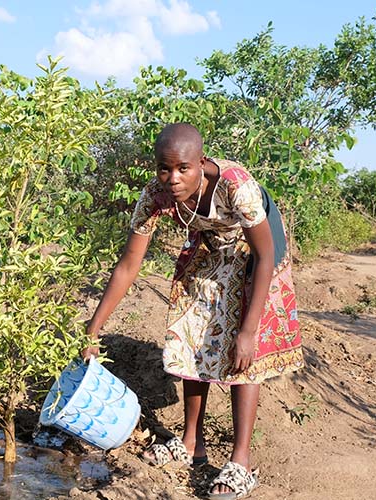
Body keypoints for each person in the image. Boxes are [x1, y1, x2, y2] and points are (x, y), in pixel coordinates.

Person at [82, 123, 303, 499]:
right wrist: (92, 329)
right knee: (191, 333)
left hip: (259, 251)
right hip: (211, 245)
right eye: (164, 169)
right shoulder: (155, 194)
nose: (172, 178)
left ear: (200, 163)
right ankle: (191, 445)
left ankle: (240, 463)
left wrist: (247, 332)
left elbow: (264, 255)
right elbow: (128, 264)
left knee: (243, 353)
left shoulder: (237, 186)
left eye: (183, 168)